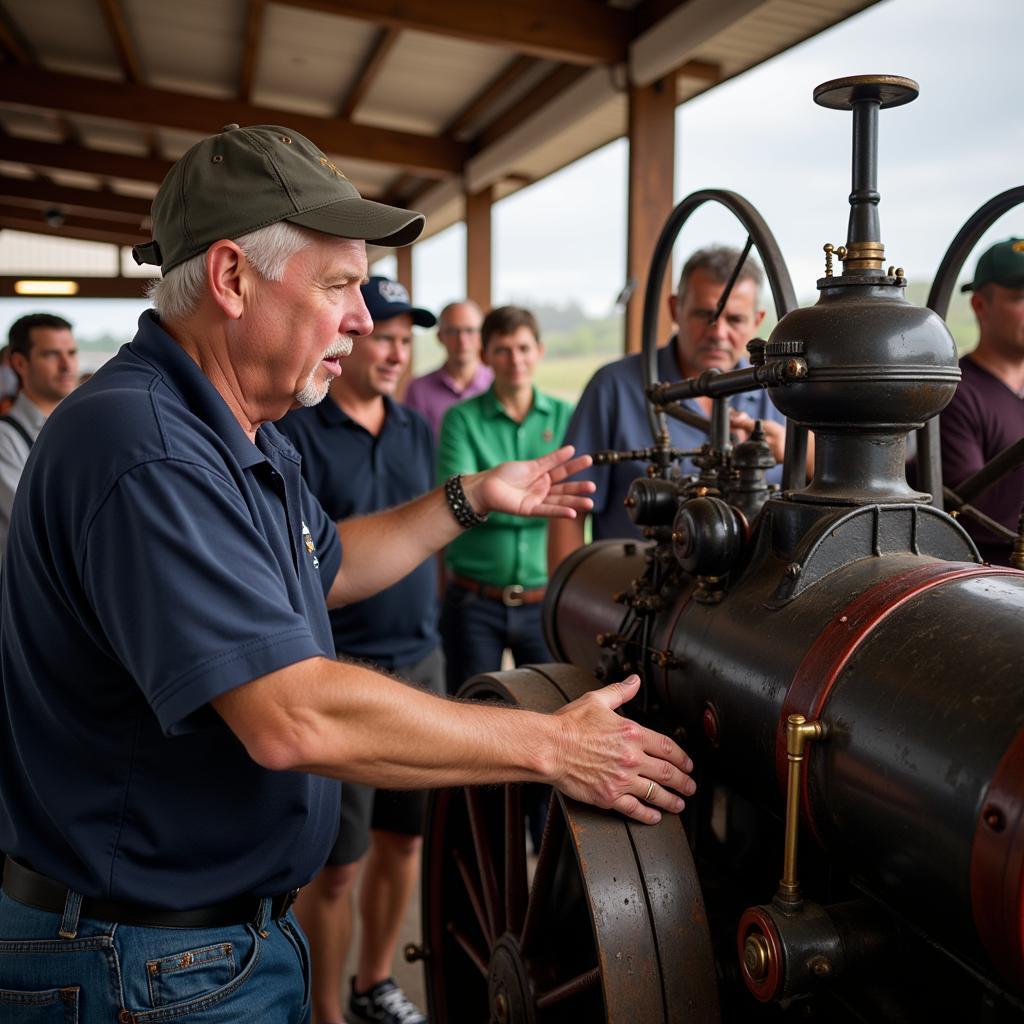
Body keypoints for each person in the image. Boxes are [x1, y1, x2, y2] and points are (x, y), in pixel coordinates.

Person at [0, 124, 695, 1024]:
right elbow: (291, 714)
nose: (366, 320)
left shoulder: (243, 430)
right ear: (231, 277)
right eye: (338, 286)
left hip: (203, 945)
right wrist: (549, 747)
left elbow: (325, 569)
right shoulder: (146, 449)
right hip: (141, 960)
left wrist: (471, 497)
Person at [277, 276, 440, 1024]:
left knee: (403, 845)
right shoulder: (298, 435)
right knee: (337, 868)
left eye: (410, 341)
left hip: (422, 657)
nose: (398, 353)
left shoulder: (415, 430)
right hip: (341, 665)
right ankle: (326, 1010)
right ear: (353, 337)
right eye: (387, 336)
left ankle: (373, 982)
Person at [548, 246, 788, 571]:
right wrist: (567, 606)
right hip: (638, 599)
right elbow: (569, 508)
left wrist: (794, 449)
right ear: (675, 309)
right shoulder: (614, 387)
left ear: (757, 321)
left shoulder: (776, 393)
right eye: (705, 315)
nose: (718, 333)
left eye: (735, 319)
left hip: (746, 608)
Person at [437, 306, 572, 695]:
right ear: (485, 356)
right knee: (470, 713)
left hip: (545, 600)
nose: (516, 360)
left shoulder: (566, 415)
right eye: (503, 350)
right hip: (473, 601)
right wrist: (536, 504)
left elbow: (577, 500)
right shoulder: (460, 420)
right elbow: (455, 501)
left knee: (549, 710)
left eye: (524, 348)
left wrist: (488, 500)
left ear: (540, 351)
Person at [940, 237, 1024, 565]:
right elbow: (971, 513)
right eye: (1020, 298)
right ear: (979, 306)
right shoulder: (956, 393)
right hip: (994, 581)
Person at [0, 312, 78, 559]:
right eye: (51, 354)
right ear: (20, 363)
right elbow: (39, 526)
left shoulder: (79, 427)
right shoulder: (5, 438)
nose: (66, 365)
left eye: (72, 353)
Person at [403, 300, 491, 437]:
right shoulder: (418, 389)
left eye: (470, 330)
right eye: (453, 331)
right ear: (439, 336)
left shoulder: (497, 385)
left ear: (482, 335)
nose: (462, 340)